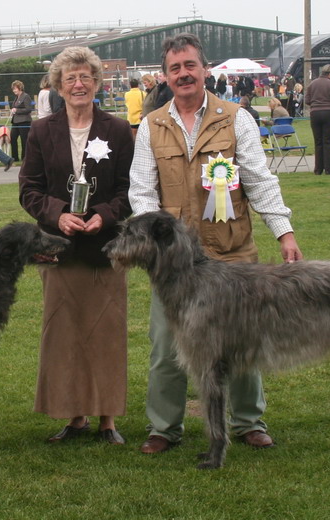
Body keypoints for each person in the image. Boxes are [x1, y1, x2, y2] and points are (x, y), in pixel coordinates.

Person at [129, 32, 303, 455]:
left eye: (190, 66)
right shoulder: (152, 126)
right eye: (175, 68)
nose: (184, 74)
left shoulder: (236, 117)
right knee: (167, 348)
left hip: (233, 253)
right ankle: (163, 428)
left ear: (204, 69)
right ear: (165, 76)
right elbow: (141, 192)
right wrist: (154, 243)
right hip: (174, 266)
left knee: (243, 343)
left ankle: (249, 422)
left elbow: (260, 180)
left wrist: (284, 232)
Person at [19, 46, 133, 446]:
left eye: (86, 77)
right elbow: (29, 191)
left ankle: (107, 420)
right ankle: (74, 416)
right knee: (64, 333)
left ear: (97, 83)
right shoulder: (41, 131)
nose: (79, 84)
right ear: (58, 86)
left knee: (105, 333)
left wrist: (105, 213)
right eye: (71, 78)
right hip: (60, 250)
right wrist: (56, 215)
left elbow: (128, 190)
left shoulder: (118, 130)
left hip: (105, 250)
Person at [305, 64, 330, 175]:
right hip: (328, 113)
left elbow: (307, 100)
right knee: (327, 141)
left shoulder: (312, 84)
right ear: (329, 73)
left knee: (318, 141)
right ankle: (328, 169)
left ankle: (318, 169)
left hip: (315, 113)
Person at [9, 80, 33, 163]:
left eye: (15, 89)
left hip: (24, 121)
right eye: (13, 89)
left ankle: (25, 157)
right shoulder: (16, 98)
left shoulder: (26, 96)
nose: (14, 90)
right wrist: (12, 110)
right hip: (15, 122)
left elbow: (28, 109)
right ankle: (15, 157)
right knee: (13, 138)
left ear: (20, 88)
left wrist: (17, 110)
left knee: (24, 140)